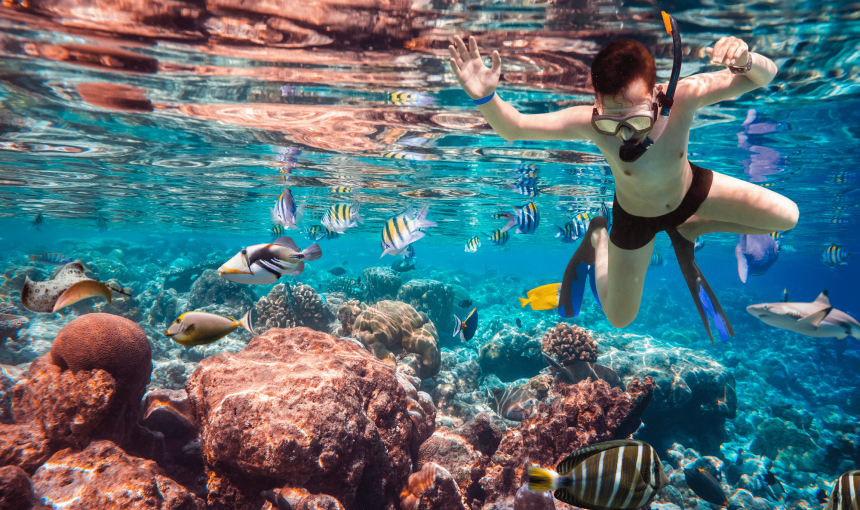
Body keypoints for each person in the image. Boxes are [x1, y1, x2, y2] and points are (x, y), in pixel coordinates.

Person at [448, 19, 798, 342]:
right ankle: (599, 236)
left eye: (637, 121)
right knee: (619, 318)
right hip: (634, 217)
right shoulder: (588, 120)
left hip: (691, 192)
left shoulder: (685, 96)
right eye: (610, 124)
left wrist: (746, 59)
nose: (625, 136)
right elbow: (515, 127)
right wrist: (485, 97)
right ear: (597, 103)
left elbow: (765, 77)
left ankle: (692, 226)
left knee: (787, 216)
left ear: (655, 96)